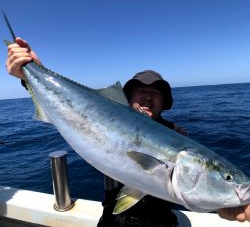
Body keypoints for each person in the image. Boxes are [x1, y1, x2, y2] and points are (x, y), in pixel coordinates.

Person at [6, 38, 250, 225]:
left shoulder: (178, 135)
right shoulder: (107, 113)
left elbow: (186, 189)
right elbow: (68, 106)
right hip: (112, 222)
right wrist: (31, 72)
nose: (147, 96)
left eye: (156, 92)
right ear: (128, 97)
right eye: (140, 91)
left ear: (164, 102)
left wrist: (219, 205)